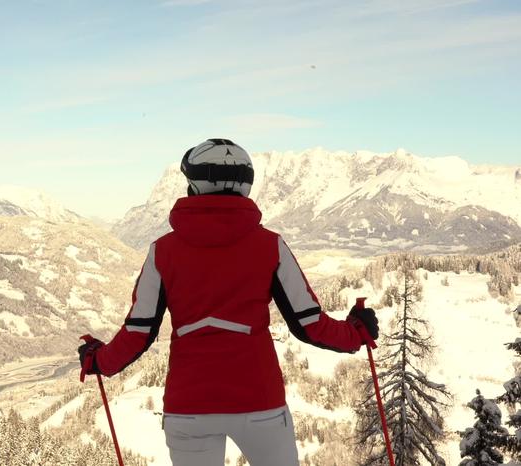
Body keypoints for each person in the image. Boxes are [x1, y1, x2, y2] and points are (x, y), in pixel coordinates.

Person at [78, 138, 379, 466]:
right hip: (260, 402)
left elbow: (139, 332)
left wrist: (100, 361)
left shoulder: (161, 252)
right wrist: (355, 333)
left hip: (189, 406)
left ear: (194, 186)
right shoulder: (271, 246)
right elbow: (308, 324)